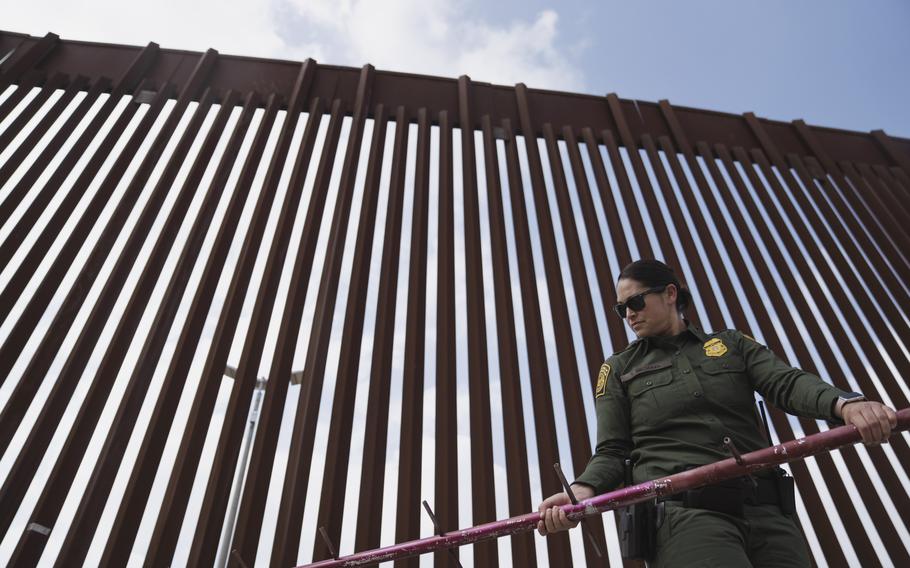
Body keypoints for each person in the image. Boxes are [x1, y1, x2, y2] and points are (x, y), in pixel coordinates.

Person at [536, 259, 898, 567]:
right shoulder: (617, 369)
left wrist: (846, 404)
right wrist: (581, 490)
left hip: (769, 511)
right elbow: (613, 450)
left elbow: (786, 383)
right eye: (621, 309)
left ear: (670, 293)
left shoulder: (732, 345)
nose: (628, 314)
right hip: (687, 517)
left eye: (636, 301)